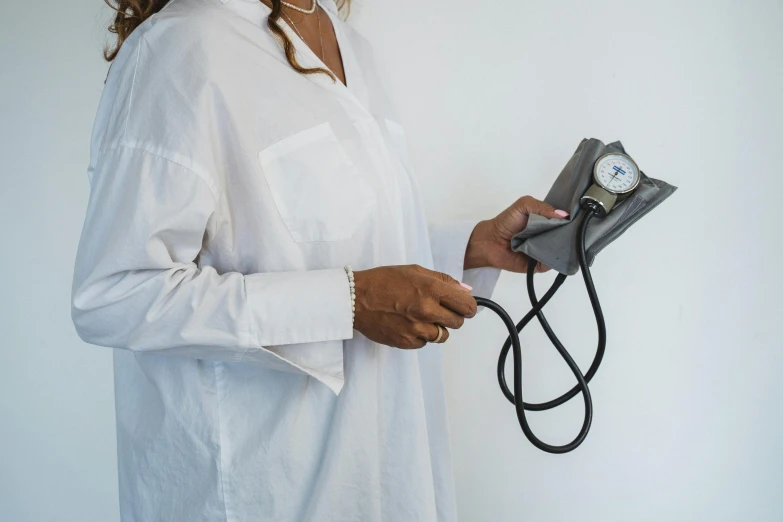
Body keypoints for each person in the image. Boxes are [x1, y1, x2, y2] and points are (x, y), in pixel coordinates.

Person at [71, 0, 569, 520]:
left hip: (384, 469)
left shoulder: (351, 47)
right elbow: (115, 293)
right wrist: (348, 302)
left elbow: (346, 241)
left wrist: (473, 245)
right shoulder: (178, 47)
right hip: (258, 489)